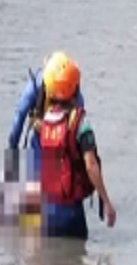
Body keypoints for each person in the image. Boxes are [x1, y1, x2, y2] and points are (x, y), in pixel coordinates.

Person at [37, 53, 116, 239]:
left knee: (51, 263)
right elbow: (91, 164)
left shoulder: (46, 121)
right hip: (71, 212)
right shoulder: (81, 123)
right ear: (75, 88)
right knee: (76, 263)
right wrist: (106, 201)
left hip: (47, 212)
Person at [6, 51, 86, 181]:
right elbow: (80, 129)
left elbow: (19, 117)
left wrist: (12, 149)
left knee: (36, 187)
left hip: (41, 141)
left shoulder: (36, 85)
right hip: (63, 147)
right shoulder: (74, 93)